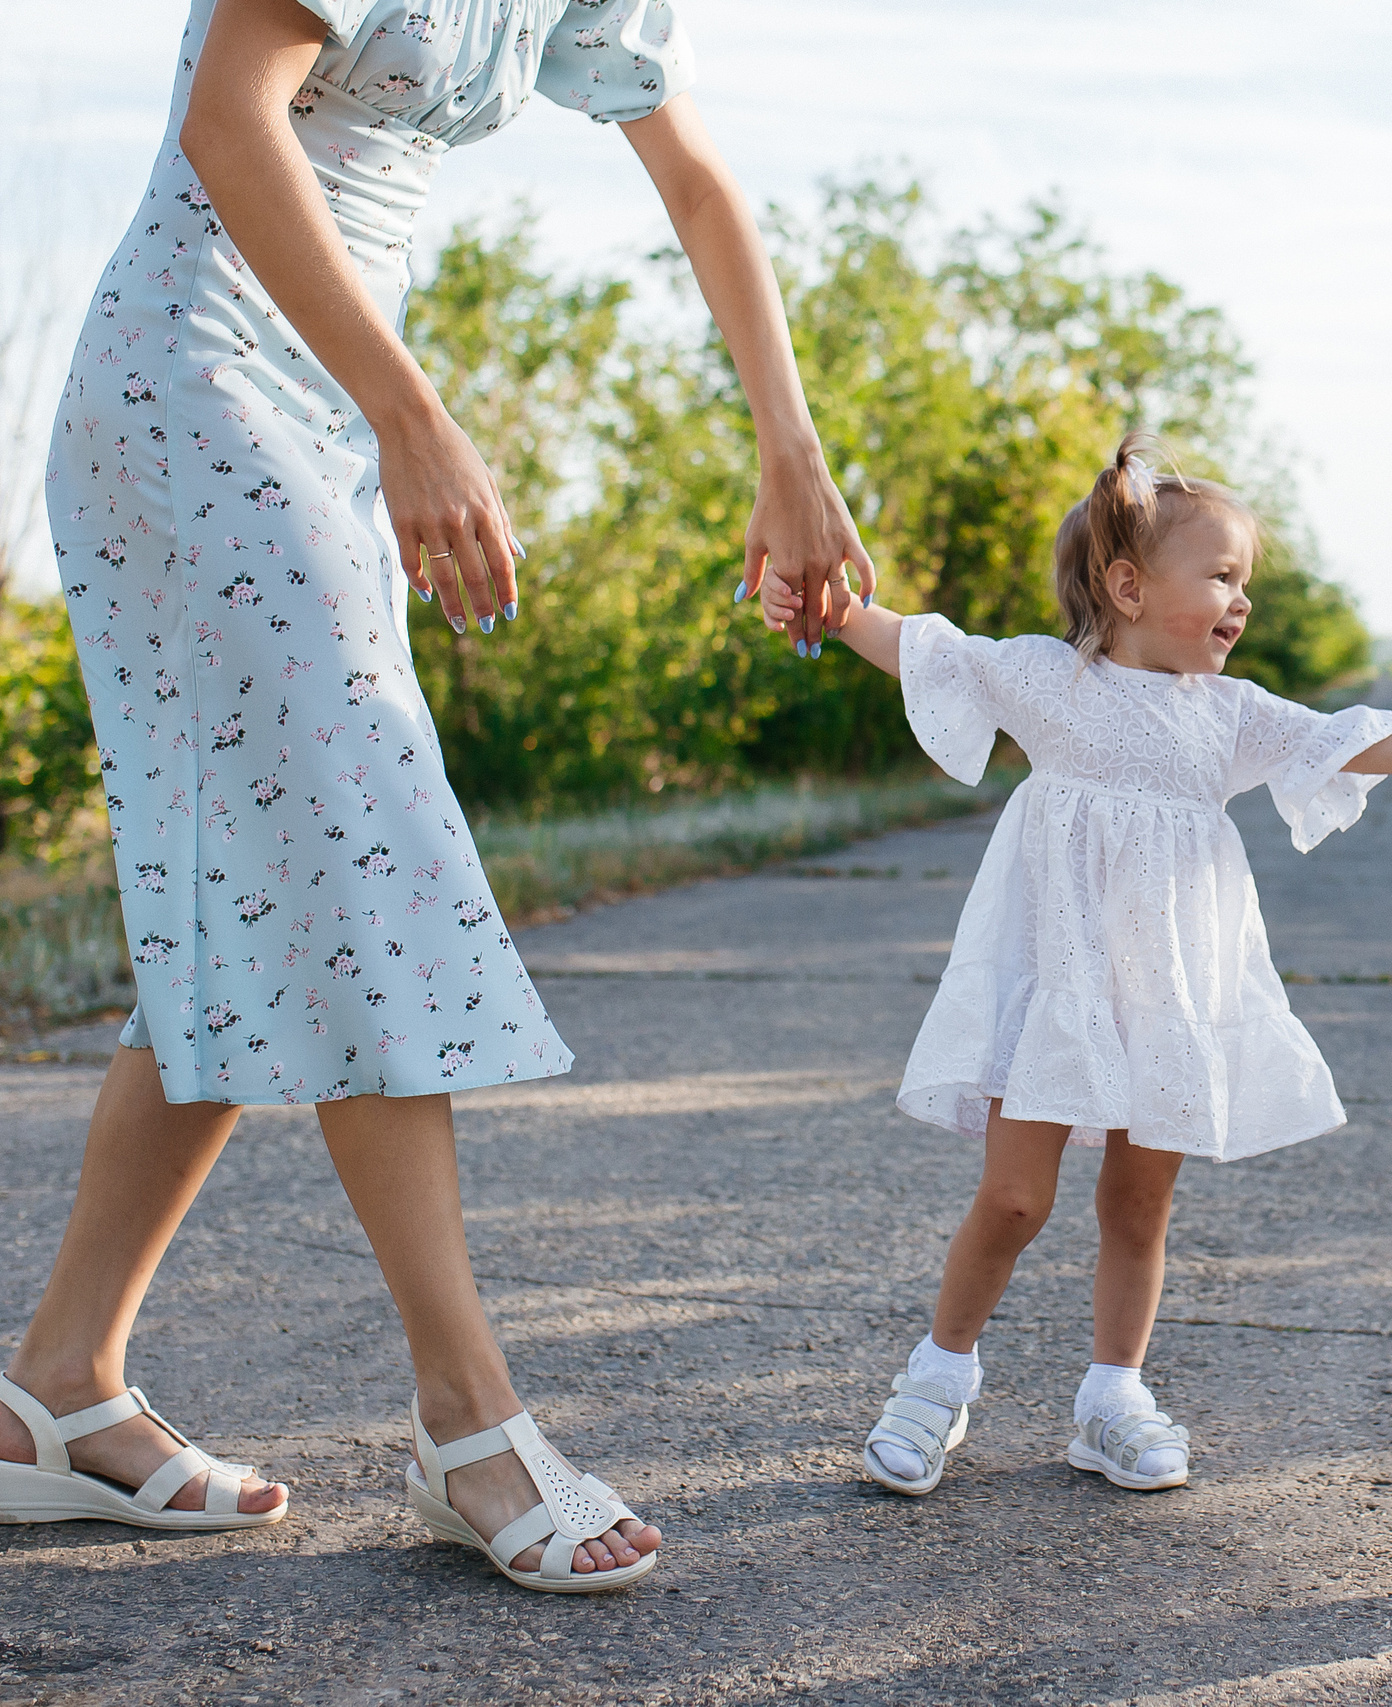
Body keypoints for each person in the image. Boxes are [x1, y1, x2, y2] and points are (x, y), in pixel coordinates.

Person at [2, 0, 866, 1593]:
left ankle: (57, 1383)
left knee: (251, 881)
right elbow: (226, 121)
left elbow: (693, 178)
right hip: (195, 374)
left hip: (334, 395)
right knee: (358, 848)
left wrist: (790, 444)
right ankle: (467, 1414)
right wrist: (414, 415)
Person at [756, 436, 1392, 1494]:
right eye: (1223, 576)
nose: (1243, 602)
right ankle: (936, 1379)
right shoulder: (1048, 680)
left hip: (1165, 1003)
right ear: (1128, 585)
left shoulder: (1228, 716)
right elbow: (927, 647)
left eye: (1248, 582)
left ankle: (1113, 1397)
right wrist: (822, 607)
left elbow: (1347, 739)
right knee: (1013, 1200)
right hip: (1053, 995)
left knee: (1138, 1206)